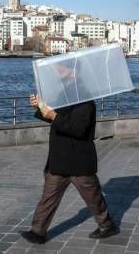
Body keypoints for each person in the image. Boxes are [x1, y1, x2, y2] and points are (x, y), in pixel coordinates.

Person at [20, 96, 119, 244]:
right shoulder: (63, 98)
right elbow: (54, 119)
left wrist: (54, 115)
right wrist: (40, 108)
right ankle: (37, 232)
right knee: (48, 197)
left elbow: (78, 129)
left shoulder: (86, 102)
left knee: (93, 196)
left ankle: (107, 225)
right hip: (59, 159)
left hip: (78, 161)